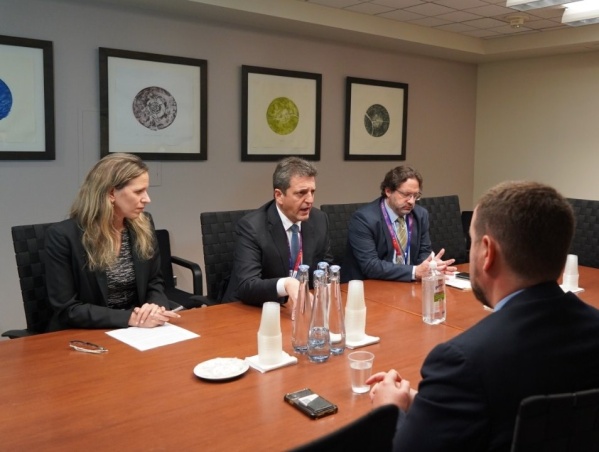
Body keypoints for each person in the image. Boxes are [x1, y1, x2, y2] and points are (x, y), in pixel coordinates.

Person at [366, 181, 599, 451]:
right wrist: (433, 400)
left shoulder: (463, 361)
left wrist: (389, 410)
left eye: (472, 241)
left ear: (487, 252)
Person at [45, 153, 180, 331]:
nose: (147, 199)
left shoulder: (144, 224)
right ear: (111, 193)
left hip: (138, 330)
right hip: (90, 331)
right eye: (138, 191)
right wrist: (131, 318)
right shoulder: (63, 236)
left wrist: (155, 307)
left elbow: (154, 281)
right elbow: (67, 309)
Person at [222, 157, 333, 307]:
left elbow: (325, 266)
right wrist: (285, 285)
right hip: (253, 307)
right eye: (301, 193)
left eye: (312, 192)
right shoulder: (252, 227)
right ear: (279, 195)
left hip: (300, 306)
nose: (310, 200)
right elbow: (248, 285)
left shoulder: (319, 220)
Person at [343, 165, 454, 282]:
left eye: (415, 196)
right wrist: (414, 272)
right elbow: (370, 265)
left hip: (407, 283)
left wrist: (430, 266)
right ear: (388, 191)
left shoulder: (420, 215)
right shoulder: (364, 219)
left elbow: (424, 251)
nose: (411, 201)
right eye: (406, 195)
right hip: (370, 285)